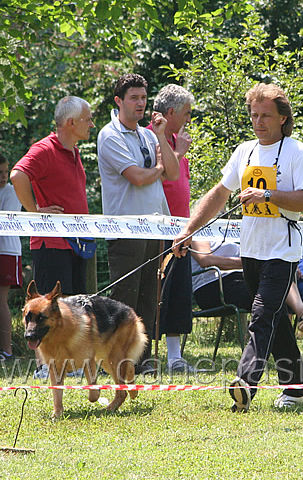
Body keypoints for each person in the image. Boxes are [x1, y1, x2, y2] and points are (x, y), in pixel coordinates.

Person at [173, 82, 303, 412]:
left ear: (283, 118)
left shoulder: (297, 152)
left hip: (282, 252)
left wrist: (268, 195)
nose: (258, 122)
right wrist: (188, 230)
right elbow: (218, 195)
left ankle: (246, 383)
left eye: (266, 115)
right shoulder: (245, 151)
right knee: (277, 319)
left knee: (262, 314)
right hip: (250, 253)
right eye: (254, 115)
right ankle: (295, 391)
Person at [97, 73, 179, 373]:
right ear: (119, 101)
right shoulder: (109, 135)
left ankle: (142, 363)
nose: (140, 103)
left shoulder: (147, 135)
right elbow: (138, 177)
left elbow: (172, 173)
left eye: (144, 98)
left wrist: (159, 136)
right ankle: (117, 362)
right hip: (125, 229)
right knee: (124, 300)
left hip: (155, 228)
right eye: (134, 98)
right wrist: (157, 166)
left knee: (148, 300)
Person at [11, 96, 95, 378]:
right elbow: (17, 174)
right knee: (44, 311)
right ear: (71, 123)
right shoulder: (44, 149)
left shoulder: (74, 151)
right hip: (51, 244)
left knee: (72, 308)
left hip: (76, 244)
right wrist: (35, 211)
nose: (92, 124)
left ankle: (68, 365)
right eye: (88, 119)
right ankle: (44, 368)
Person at [147, 84, 196, 373]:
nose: (189, 118)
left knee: (179, 291)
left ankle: (175, 357)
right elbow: (164, 174)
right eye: (186, 113)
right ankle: (146, 356)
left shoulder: (178, 140)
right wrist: (177, 152)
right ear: (171, 112)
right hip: (158, 227)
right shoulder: (151, 137)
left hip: (182, 227)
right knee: (156, 293)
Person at [0, 154, 22, 361]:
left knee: (1, 300)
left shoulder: (12, 191)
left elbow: (7, 221)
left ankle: (7, 351)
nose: (3, 176)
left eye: (5, 172)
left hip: (6, 250)